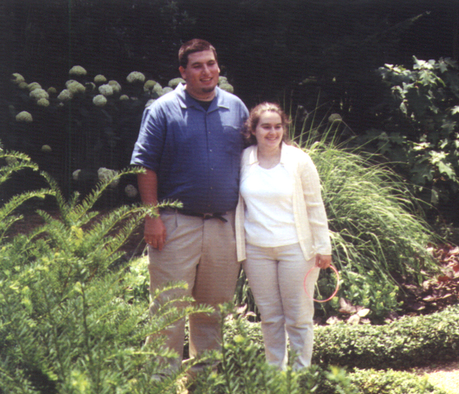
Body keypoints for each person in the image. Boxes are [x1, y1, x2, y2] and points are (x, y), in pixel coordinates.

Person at [131, 39, 248, 372]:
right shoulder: (162, 110)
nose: (207, 71)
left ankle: (204, 381)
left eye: (211, 63)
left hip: (223, 227)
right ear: (183, 72)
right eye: (197, 66)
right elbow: (144, 165)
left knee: (212, 310)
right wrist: (151, 218)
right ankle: (158, 385)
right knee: (168, 309)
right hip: (176, 224)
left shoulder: (236, 108)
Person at [235, 102, 332, 370]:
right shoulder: (244, 159)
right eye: (266, 126)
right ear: (253, 129)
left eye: (278, 126)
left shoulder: (299, 160)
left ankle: (301, 376)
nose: (272, 132)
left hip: (296, 250)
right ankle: (275, 376)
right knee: (270, 318)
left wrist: (323, 246)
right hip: (256, 252)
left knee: (299, 318)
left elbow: (314, 205)